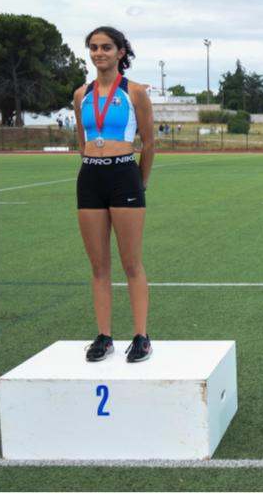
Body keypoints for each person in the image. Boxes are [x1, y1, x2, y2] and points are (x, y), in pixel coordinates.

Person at [73, 27, 155, 363]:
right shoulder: (81, 94)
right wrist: (94, 162)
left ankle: (141, 336)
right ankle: (104, 336)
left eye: (106, 47)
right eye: (93, 47)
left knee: (131, 263)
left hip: (125, 177)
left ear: (121, 52)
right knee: (98, 265)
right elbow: (82, 142)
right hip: (90, 178)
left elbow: (149, 143)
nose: (99, 53)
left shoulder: (135, 92)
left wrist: (140, 182)